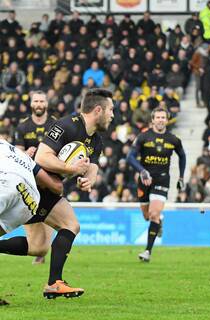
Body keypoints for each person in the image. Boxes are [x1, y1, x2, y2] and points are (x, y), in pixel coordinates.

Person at [0, 88, 114, 298]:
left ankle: (54, 284)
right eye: (110, 110)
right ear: (98, 110)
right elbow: (42, 158)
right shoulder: (66, 125)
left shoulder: (96, 140)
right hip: (31, 186)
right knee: (69, 225)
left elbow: (93, 166)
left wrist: (89, 179)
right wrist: (72, 170)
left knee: (39, 247)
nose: (113, 115)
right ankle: (55, 282)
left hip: (49, 191)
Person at [127, 106, 186, 262]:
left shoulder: (173, 139)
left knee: (154, 214)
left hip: (162, 179)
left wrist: (181, 177)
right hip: (144, 179)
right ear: (152, 120)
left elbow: (182, 156)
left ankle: (147, 251)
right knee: (147, 216)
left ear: (167, 120)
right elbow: (130, 157)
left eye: (163, 117)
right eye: (158, 117)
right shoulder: (143, 137)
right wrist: (142, 171)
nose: (160, 120)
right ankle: (159, 221)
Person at [15, 90, 56, 265]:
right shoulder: (23, 127)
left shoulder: (55, 125)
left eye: (42, 101)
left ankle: (41, 249)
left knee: (47, 213)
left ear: (46, 104)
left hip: (49, 179)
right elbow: (15, 155)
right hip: (29, 179)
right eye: (36, 101)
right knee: (30, 215)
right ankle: (37, 247)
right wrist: (26, 153)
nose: (39, 104)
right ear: (31, 104)